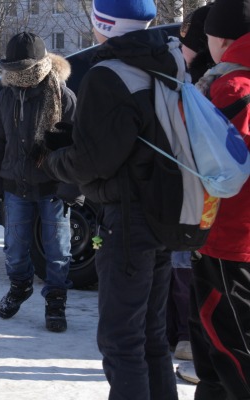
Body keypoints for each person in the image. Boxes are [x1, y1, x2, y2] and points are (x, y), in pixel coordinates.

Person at [41, 0, 184, 398]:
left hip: (127, 220)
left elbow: (93, 160)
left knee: (121, 342)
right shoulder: (168, 61)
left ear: (102, 23)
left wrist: (55, 160)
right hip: (164, 213)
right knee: (152, 337)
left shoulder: (108, 75)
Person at [0, 32, 76, 333]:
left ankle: (56, 301)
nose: (15, 75)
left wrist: (71, 189)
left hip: (53, 188)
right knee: (14, 249)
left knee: (58, 251)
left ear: (36, 65)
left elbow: (76, 148)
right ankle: (20, 286)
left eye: (21, 68)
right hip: (15, 186)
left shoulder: (63, 97)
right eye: (11, 68)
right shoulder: (5, 97)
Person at [187, 0, 250, 398]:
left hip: (230, 236)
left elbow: (223, 168)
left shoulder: (231, 86)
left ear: (223, 39)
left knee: (230, 346)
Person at [168, 3, 215, 363]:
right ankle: (184, 333)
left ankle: (191, 337)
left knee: (190, 266)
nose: (178, 45)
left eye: (185, 39)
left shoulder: (207, 84)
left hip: (203, 198)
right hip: (192, 195)